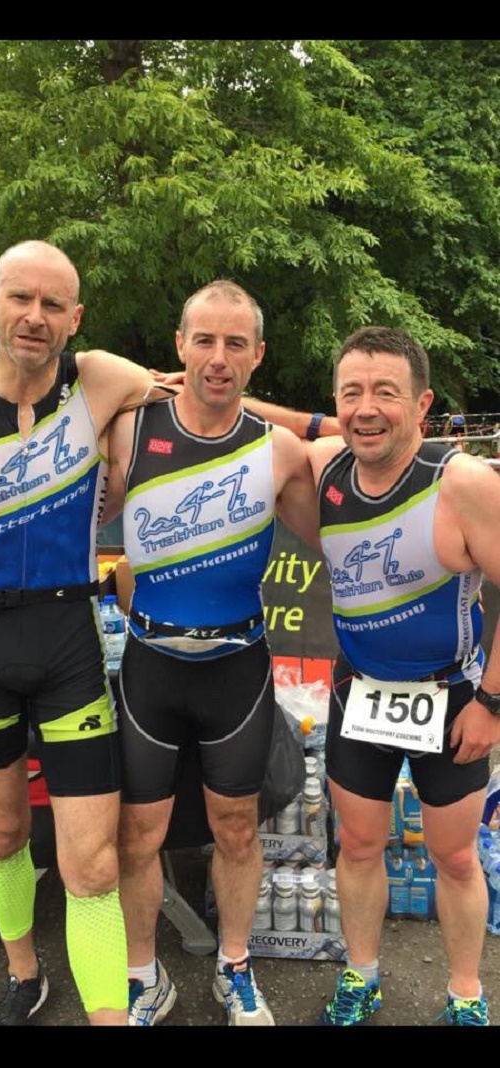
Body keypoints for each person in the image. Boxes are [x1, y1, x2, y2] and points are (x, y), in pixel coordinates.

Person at [0, 239, 173, 1027]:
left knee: (90, 863)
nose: (35, 317)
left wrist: (326, 426)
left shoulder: (104, 379)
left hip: (66, 638)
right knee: (0, 831)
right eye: (21, 298)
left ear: (75, 317)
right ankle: (24, 976)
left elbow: (207, 402)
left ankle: (107, 1016)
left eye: (53, 305)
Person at [245, 325, 500, 1027]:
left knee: (452, 857)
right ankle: (362, 977)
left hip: (451, 700)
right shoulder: (326, 468)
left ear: (422, 405)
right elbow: (292, 428)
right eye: (352, 392)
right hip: (359, 694)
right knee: (357, 845)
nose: (367, 407)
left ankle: (466, 995)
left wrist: (491, 704)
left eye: (386, 392)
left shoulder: (464, 483)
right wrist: (206, 383)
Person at [103, 279, 340, 1026]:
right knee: (138, 831)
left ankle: (234, 969)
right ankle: (144, 977)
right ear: (178, 347)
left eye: (235, 343)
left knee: (237, 826)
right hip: (151, 666)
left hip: (236, 666)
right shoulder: (128, 430)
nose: (218, 356)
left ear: (257, 354)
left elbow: (341, 541)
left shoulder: (278, 452)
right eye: (203, 340)